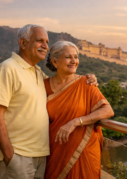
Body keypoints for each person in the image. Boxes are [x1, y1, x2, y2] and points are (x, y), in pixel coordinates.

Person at [0, 24, 97, 179]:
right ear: (23, 43)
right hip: (19, 155)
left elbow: (63, 86)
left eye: (47, 42)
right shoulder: (8, 68)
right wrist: (9, 156)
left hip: (41, 155)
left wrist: (88, 79)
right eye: (39, 41)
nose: (45, 46)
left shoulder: (38, 74)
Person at [44, 41, 114, 179]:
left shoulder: (86, 83)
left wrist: (77, 121)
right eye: (68, 57)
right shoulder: (43, 86)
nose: (74, 61)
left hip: (85, 151)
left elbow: (108, 110)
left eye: (76, 57)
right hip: (55, 151)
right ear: (55, 61)